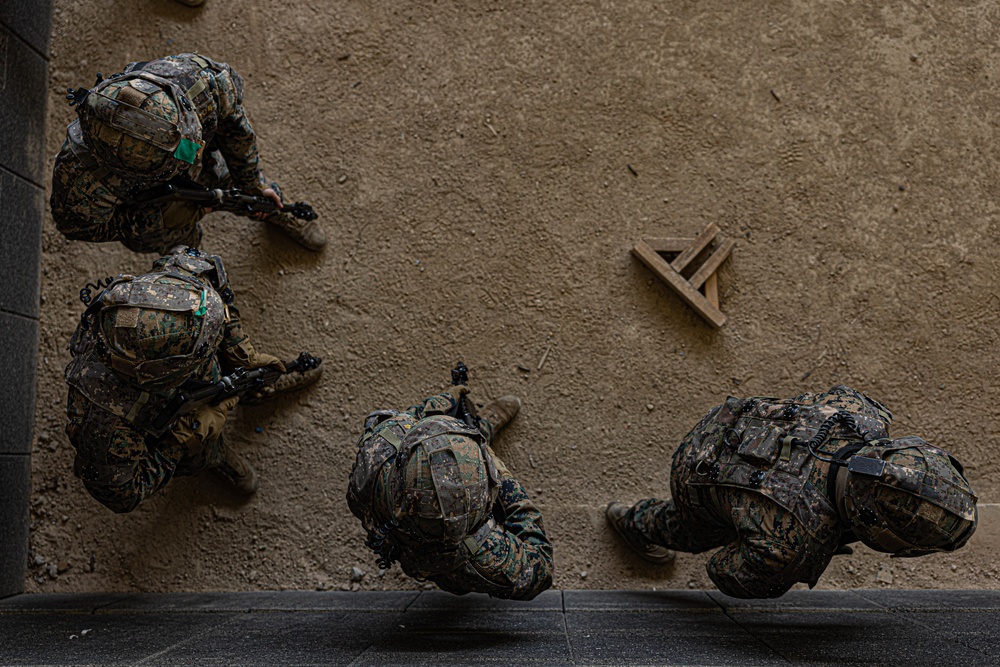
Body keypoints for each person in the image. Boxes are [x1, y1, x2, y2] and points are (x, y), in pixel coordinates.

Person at [606, 385, 978, 599]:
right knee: (696, 528)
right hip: (693, 477)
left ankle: (634, 517)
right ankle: (634, 522)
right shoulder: (793, 547)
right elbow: (723, 572)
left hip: (719, 423)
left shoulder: (858, 412)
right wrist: (763, 528)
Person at [64, 246, 322, 513]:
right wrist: (182, 439)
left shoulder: (169, 287)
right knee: (197, 449)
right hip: (156, 421)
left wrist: (239, 349)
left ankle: (248, 390)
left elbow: (209, 266)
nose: (215, 342)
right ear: (164, 374)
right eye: (203, 350)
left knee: (220, 372)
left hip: (182, 379)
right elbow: (124, 495)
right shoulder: (103, 425)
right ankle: (211, 454)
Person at [51, 52, 326, 254]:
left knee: (225, 176)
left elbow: (235, 128)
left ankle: (271, 205)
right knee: (176, 240)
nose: (191, 153)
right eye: (181, 154)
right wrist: (158, 221)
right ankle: (188, 272)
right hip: (152, 205)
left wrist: (252, 184)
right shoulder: (80, 176)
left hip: (185, 178)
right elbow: (81, 228)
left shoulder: (193, 80)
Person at [347, 384, 553, 600]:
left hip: (400, 530)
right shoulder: (478, 550)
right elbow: (542, 568)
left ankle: (479, 428)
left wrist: (443, 400)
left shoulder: (381, 450)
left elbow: (413, 418)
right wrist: (501, 475)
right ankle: (481, 432)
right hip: (443, 562)